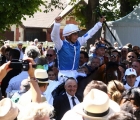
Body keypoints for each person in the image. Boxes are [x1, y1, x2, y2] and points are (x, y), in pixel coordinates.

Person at [51, 16, 105, 82]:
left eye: (77, 34)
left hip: (76, 72)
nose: (77, 36)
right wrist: (56, 24)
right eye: (74, 35)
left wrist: (99, 23)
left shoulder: (78, 42)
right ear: (68, 36)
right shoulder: (60, 44)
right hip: (64, 75)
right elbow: (54, 37)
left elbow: (89, 34)